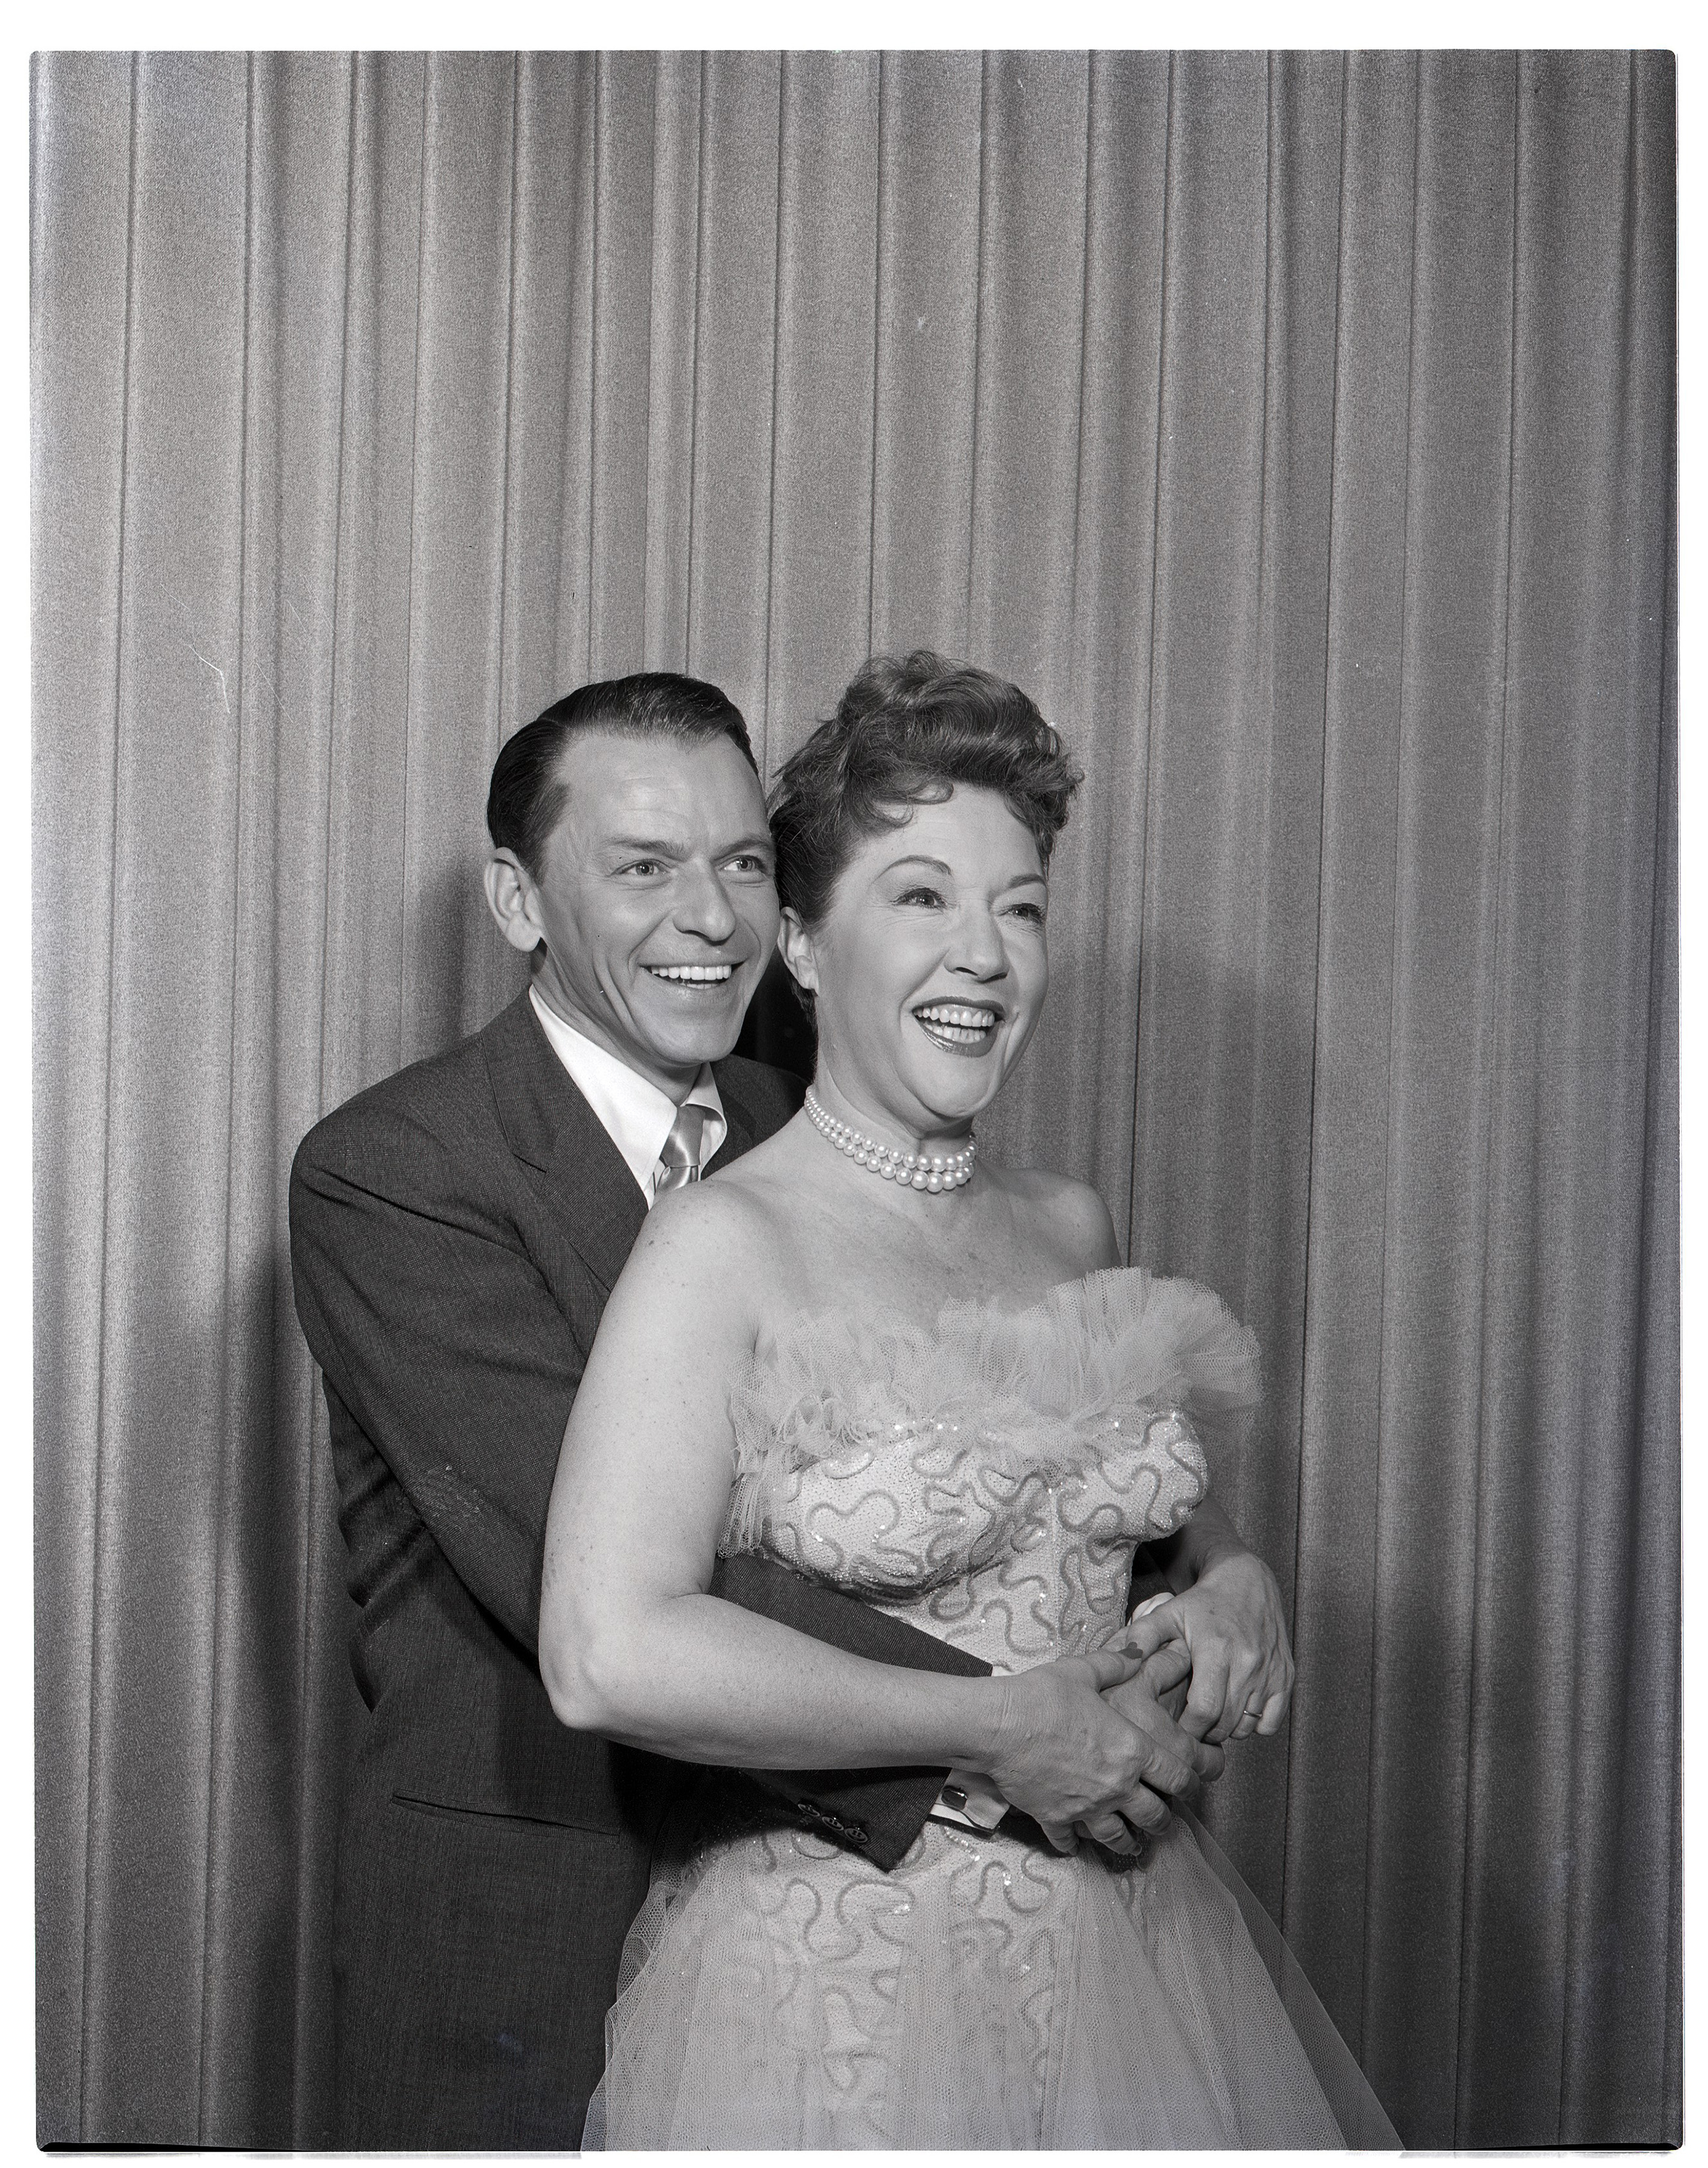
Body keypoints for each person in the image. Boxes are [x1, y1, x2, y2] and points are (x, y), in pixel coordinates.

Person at [287, 671, 1218, 2149]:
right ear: (518, 901)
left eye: (739, 864)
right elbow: (586, 1578)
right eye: (642, 868)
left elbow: (1019, 1454)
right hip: (552, 1897)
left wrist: (1201, 1592)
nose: (708, 918)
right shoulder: (397, 1170)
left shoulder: (836, 1115)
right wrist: (1015, 1725)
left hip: (926, 1922)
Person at [540, 652, 1401, 2148]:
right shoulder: (719, 1248)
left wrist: (1228, 1580)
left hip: (1129, 1953)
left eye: (1019, 907)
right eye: (922, 897)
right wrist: (994, 1730)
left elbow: (1119, 1517)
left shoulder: (1068, 1223)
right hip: (838, 1986)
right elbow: (606, 1653)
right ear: (802, 946)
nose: (985, 955)